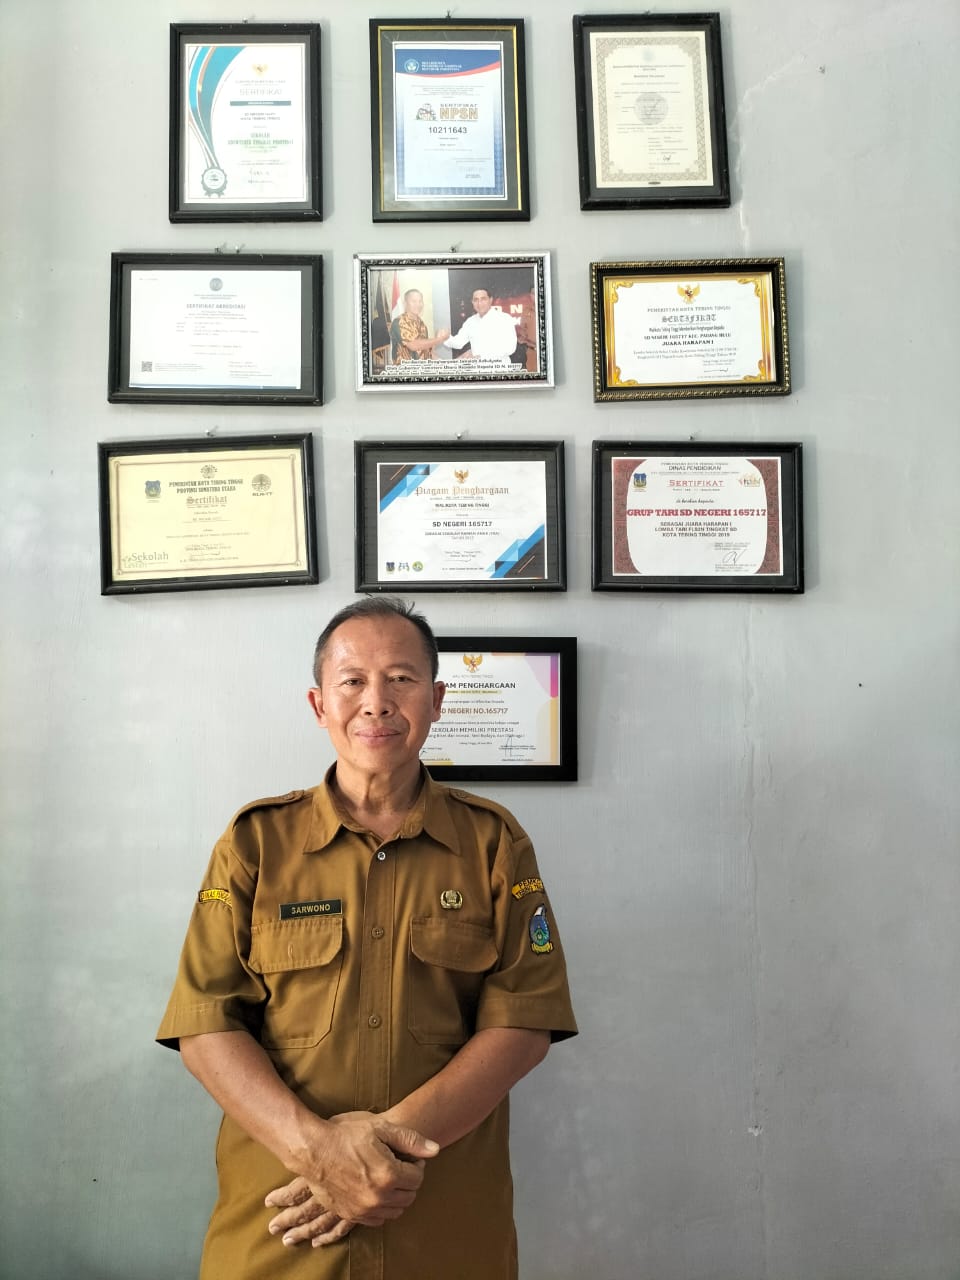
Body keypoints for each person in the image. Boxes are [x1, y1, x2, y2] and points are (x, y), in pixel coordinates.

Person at [156, 597, 577, 1279]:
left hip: (444, 1230)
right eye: (352, 681)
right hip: (284, 1225)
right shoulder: (255, 843)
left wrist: (378, 1154)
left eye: (401, 679)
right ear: (319, 704)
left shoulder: (493, 843)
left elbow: (524, 1023)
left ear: (436, 700)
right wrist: (319, 1155)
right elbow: (205, 1026)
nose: (376, 702)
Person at [445, 287, 521, 361]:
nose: (479, 303)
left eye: (483, 299)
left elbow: (510, 348)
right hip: (478, 368)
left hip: (499, 367)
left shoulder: (504, 318)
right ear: (472, 302)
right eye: (476, 300)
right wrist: (445, 337)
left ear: (490, 300)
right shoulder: (470, 321)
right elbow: (458, 343)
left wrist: (481, 355)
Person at [390, 289, 450, 363]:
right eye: (414, 301)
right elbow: (413, 345)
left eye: (420, 301)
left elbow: (427, 352)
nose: (418, 304)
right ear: (405, 303)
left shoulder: (422, 325)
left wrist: (445, 363)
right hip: (405, 369)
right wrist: (439, 339)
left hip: (421, 368)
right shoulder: (399, 322)